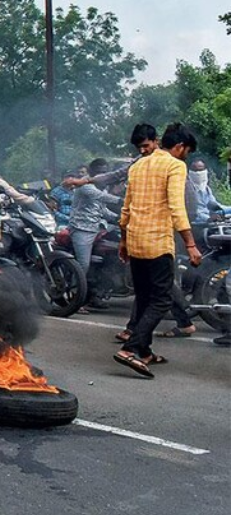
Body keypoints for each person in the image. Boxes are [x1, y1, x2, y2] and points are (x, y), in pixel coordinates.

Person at [113, 124, 201, 379]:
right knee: (161, 299)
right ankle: (129, 349)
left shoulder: (139, 165)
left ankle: (145, 352)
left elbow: (125, 208)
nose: (185, 156)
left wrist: (123, 241)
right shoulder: (174, 165)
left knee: (143, 297)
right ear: (179, 147)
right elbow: (176, 207)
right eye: (186, 151)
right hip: (157, 243)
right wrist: (190, 244)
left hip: (136, 241)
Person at [67, 158, 123, 309]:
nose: (103, 175)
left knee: (110, 257)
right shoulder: (86, 185)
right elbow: (103, 198)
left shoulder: (101, 187)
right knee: (83, 266)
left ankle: (97, 293)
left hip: (99, 229)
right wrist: (123, 201)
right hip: (82, 229)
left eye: (105, 172)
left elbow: (102, 209)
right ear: (92, 173)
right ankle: (73, 299)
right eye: (99, 172)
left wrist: (118, 218)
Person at [188, 160, 227, 225]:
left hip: (211, 219)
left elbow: (216, 205)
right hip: (198, 224)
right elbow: (195, 213)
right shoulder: (188, 190)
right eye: (195, 170)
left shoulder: (207, 189)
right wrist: (208, 218)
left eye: (201, 170)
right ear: (190, 171)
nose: (198, 173)